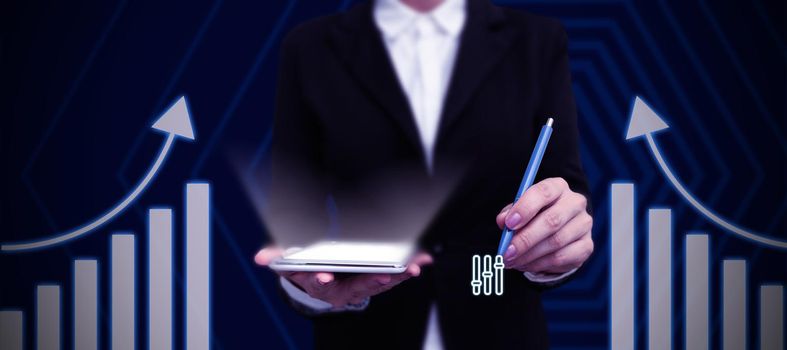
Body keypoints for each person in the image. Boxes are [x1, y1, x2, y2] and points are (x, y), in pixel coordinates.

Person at [254, 0, 594, 348]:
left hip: (499, 327)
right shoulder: (310, 46)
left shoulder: (538, 40)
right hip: (364, 333)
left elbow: (564, 193)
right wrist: (310, 284)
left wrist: (556, 245)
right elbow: (293, 206)